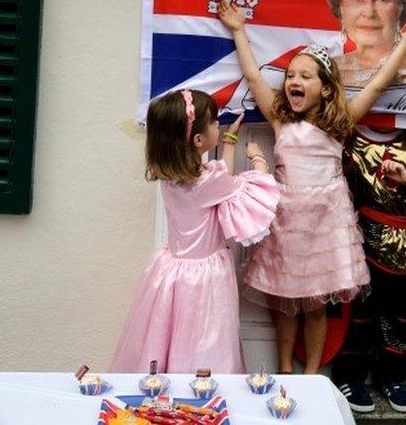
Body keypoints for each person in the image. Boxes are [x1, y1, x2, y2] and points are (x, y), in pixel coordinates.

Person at [218, 0, 406, 375]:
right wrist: (239, 30)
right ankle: (285, 369)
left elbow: (379, 81)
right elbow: (254, 77)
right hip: (286, 223)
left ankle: (311, 374)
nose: (294, 83)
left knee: (316, 306)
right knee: (285, 302)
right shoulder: (281, 121)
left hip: (325, 226)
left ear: (327, 89)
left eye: (305, 77)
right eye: (290, 76)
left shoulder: (340, 122)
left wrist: (405, 43)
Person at [110, 90, 280, 374]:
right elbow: (243, 185)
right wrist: (259, 159)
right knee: (205, 340)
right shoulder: (207, 182)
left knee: (173, 335)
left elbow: (220, 178)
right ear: (199, 140)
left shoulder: (170, 176)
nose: (218, 125)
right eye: (214, 122)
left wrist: (228, 139)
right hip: (206, 277)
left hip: (172, 270)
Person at [333, 126, 406, 414]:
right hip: (363, 238)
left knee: (401, 316)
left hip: (405, 244)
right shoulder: (351, 135)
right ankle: (350, 375)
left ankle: (392, 377)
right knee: (361, 312)